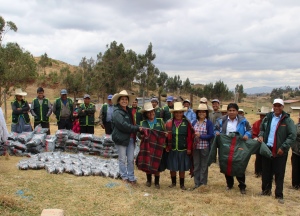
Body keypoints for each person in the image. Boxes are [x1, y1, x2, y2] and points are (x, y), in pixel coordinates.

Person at [257, 98, 296, 204]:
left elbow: (292, 135)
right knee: (266, 171)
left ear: (283, 107)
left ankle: (279, 194)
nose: (277, 108)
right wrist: (261, 135)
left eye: (279, 106)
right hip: (267, 148)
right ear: (273, 106)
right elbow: (262, 129)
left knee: (279, 173)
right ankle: (266, 191)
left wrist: (283, 147)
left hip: (280, 151)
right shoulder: (268, 117)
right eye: (275, 105)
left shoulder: (287, 120)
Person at [214, 103, 252, 194]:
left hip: (238, 145)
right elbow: (215, 129)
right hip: (225, 145)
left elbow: (250, 130)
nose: (231, 112)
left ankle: (242, 186)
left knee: (239, 164)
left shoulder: (243, 121)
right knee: (227, 164)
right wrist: (216, 133)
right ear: (227, 111)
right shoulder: (221, 120)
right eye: (230, 110)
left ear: (237, 111)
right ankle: (229, 184)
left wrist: (247, 135)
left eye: (233, 110)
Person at [111, 90, 142, 184]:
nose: (124, 101)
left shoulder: (128, 111)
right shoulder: (117, 113)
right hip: (121, 138)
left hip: (131, 138)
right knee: (122, 159)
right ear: (119, 101)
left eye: (126, 99)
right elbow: (123, 125)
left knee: (130, 159)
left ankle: (131, 177)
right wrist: (136, 128)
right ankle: (124, 177)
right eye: (122, 99)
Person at [165, 102, 194, 190]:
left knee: (182, 167)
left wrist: (189, 148)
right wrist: (166, 146)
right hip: (172, 148)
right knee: (172, 167)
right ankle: (173, 183)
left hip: (183, 149)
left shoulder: (187, 123)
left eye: (180, 112)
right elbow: (165, 136)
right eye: (176, 112)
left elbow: (190, 136)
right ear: (173, 113)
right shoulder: (169, 123)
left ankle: (182, 184)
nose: (178, 114)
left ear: (183, 113)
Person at [139, 101, 167, 189]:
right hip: (147, 147)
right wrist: (142, 136)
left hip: (158, 147)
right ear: (146, 114)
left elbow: (164, 132)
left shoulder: (160, 121)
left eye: (152, 111)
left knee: (157, 164)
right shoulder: (143, 123)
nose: (151, 114)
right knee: (148, 163)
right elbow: (139, 135)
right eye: (149, 112)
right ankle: (148, 180)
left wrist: (165, 137)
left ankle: (157, 182)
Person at [191, 104, 214, 190]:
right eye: (200, 112)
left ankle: (203, 184)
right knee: (196, 165)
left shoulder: (208, 123)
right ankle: (196, 183)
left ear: (206, 113)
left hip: (204, 147)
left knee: (204, 166)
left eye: (203, 112)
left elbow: (211, 135)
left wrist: (201, 136)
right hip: (196, 147)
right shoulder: (194, 122)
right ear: (197, 113)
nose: (201, 113)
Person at [252, 106, 270, 177]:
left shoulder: (271, 123)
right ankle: (258, 172)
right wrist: (257, 138)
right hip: (259, 143)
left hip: (268, 144)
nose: (262, 117)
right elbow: (253, 133)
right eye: (261, 115)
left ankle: (267, 173)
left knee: (268, 158)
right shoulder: (256, 123)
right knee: (258, 158)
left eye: (264, 115)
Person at [291, 115, 300, 190]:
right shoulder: (296, 126)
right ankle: (295, 184)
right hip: (296, 150)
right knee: (295, 168)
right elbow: (292, 135)